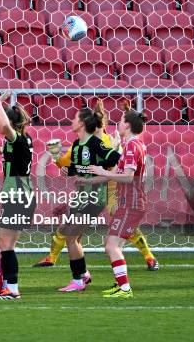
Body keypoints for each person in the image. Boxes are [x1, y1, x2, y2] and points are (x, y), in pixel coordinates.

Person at [38, 101, 159, 271]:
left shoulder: (109, 143)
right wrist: (59, 158)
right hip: (90, 191)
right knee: (71, 229)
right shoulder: (83, 144)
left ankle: (148, 257)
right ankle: (53, 259)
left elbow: (119, 168)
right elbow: (67, 165)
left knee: (118, 227)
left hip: (111, 190)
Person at [89, 103, 149, 298]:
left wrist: (103, 171)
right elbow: (122, 172)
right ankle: (120, 285)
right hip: (128, 201)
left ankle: (125, 289)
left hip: (131, 202)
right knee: (113, 245)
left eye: (122, 121)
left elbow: (128, 177)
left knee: (111, 246)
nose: (118, 123)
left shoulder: (132, 146)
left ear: (128, 125)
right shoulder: (132, 144)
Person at [58, 106, 120, 292]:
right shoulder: (77, 145)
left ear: (82, 123)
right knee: (69, 234)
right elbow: (78, 168)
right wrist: (68, 171)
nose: (71, 121)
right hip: (80, 196)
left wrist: (115, 149)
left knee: (70, 236)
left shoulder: (95, 143)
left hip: (94, 197)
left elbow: (114, 161)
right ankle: (83, 275)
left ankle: (78, 280)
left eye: (75, 118)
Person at [0, 91, 33, 299]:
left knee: (6, 244)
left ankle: (12, 288)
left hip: (18, 194)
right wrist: (2, 152)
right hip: (21, 193)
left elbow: (6, 128)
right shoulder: (18, 141)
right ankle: (8, 285)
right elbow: (18, 159)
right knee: (6, 243)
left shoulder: (15, 137)